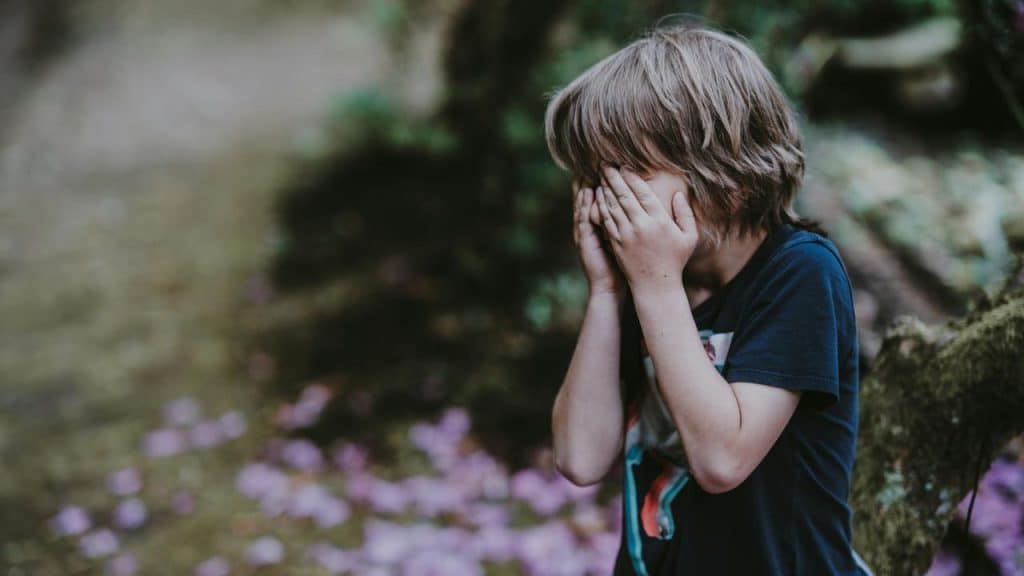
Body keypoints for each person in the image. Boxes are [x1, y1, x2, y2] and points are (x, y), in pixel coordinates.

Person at [545, 19, 874, 576]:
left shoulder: (800, 273)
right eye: (595, 178)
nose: (609, 199)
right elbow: (580, 457)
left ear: (726, 173)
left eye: (629, 173)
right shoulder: (644, 280)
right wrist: (605, 292)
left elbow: (722, 460)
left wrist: (654, 285)